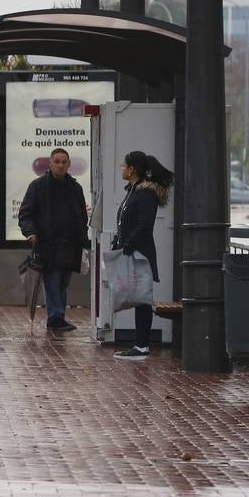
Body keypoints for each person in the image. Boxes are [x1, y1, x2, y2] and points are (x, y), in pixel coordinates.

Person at [17, 147, 90, 331]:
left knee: (63, 283)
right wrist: (31, 234)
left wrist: (83, 242)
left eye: (64, 162)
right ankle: (55, 318)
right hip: (47, 245)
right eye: (56, 162)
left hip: (70, 245)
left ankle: (59, 317)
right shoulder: (38, 186)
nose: (60, 165)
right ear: (50, 163)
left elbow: (81, 216)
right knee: (52, 281)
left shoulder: (75, 188)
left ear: (69, 164)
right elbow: (25, 213)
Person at [112, 150, 173, 361]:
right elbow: (126, 221)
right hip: (131, 250)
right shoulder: (133, 190)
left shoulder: (145, 194)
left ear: (132, 170)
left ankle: (142, 345)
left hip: (140, 254)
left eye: (124, 165)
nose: (121, 168)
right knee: (138, 297)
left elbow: (145, 225)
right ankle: (140, 344)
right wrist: (119, 242)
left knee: (142, 298)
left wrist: (128, 245)